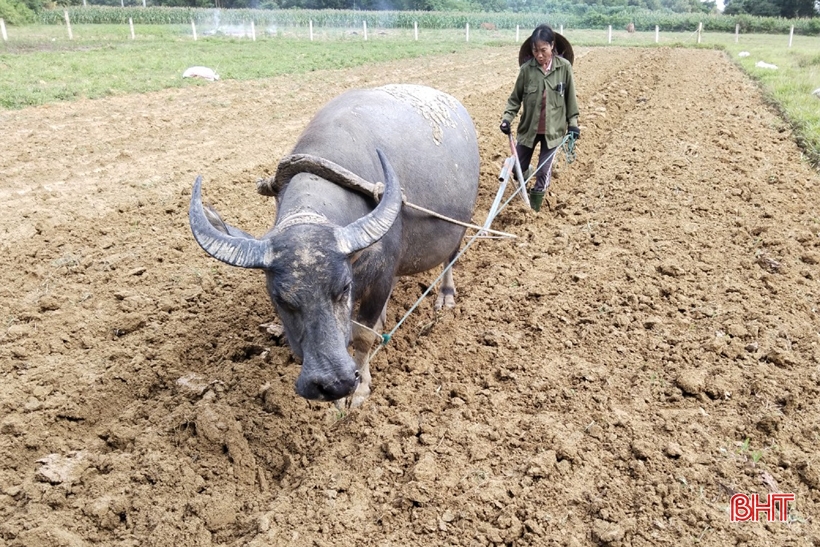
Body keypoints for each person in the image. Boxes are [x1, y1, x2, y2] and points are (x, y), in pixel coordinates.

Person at [500, 24, 580, 212]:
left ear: (552, 46)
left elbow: (571, 100)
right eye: (535, 51)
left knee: (543, 172)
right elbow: (515, 99)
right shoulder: (527, 70)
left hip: (553, 132)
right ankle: (526, 178)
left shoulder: (564, 68)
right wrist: (507, 119)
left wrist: (573, 125)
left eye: (543, 50)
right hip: (529, 129)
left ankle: (534, 210)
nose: (539, 55)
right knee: (517, 169)